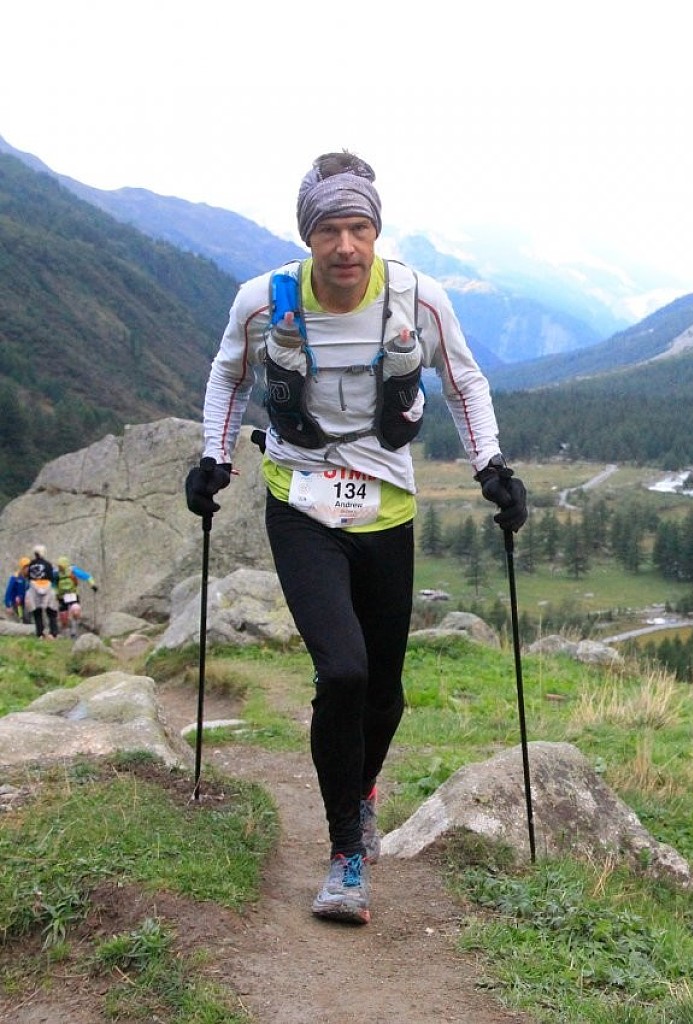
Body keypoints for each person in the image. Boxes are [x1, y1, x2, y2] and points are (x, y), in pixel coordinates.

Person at [184, 151, 528, 925]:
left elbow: (465, 382)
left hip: (387, 510)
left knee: (384, 692)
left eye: (359, 229)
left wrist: (491, 468)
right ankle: (345, 853)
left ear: (376, 232)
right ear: (308, 237)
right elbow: (228, 376)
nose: (346, 247)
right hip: (299, 504)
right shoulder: (261, 303)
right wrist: (213, 459)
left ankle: (362, 786)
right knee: (341, 673)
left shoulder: (417, 299)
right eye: (330, 231)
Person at [55, 556, 99, 639]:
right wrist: (56, 593)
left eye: (61, 566)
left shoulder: (73, 570)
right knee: (64, 617)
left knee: (75, 612)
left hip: (73, 594)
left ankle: (74, 633)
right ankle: (65, 634)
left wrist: (93, 585)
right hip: (62, 596)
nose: (60, 568)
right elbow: (54, 584)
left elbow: (87, 576)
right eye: (59, 566)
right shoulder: (56, 573)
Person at [23, 544, 59, 639]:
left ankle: (40, 634)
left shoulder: (31, 564)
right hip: (47, 588)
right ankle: (53, 633)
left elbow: (29, 577)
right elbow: (51, 578)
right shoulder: (48, 564)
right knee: (51, 611)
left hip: (34, 589)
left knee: (37, 612)